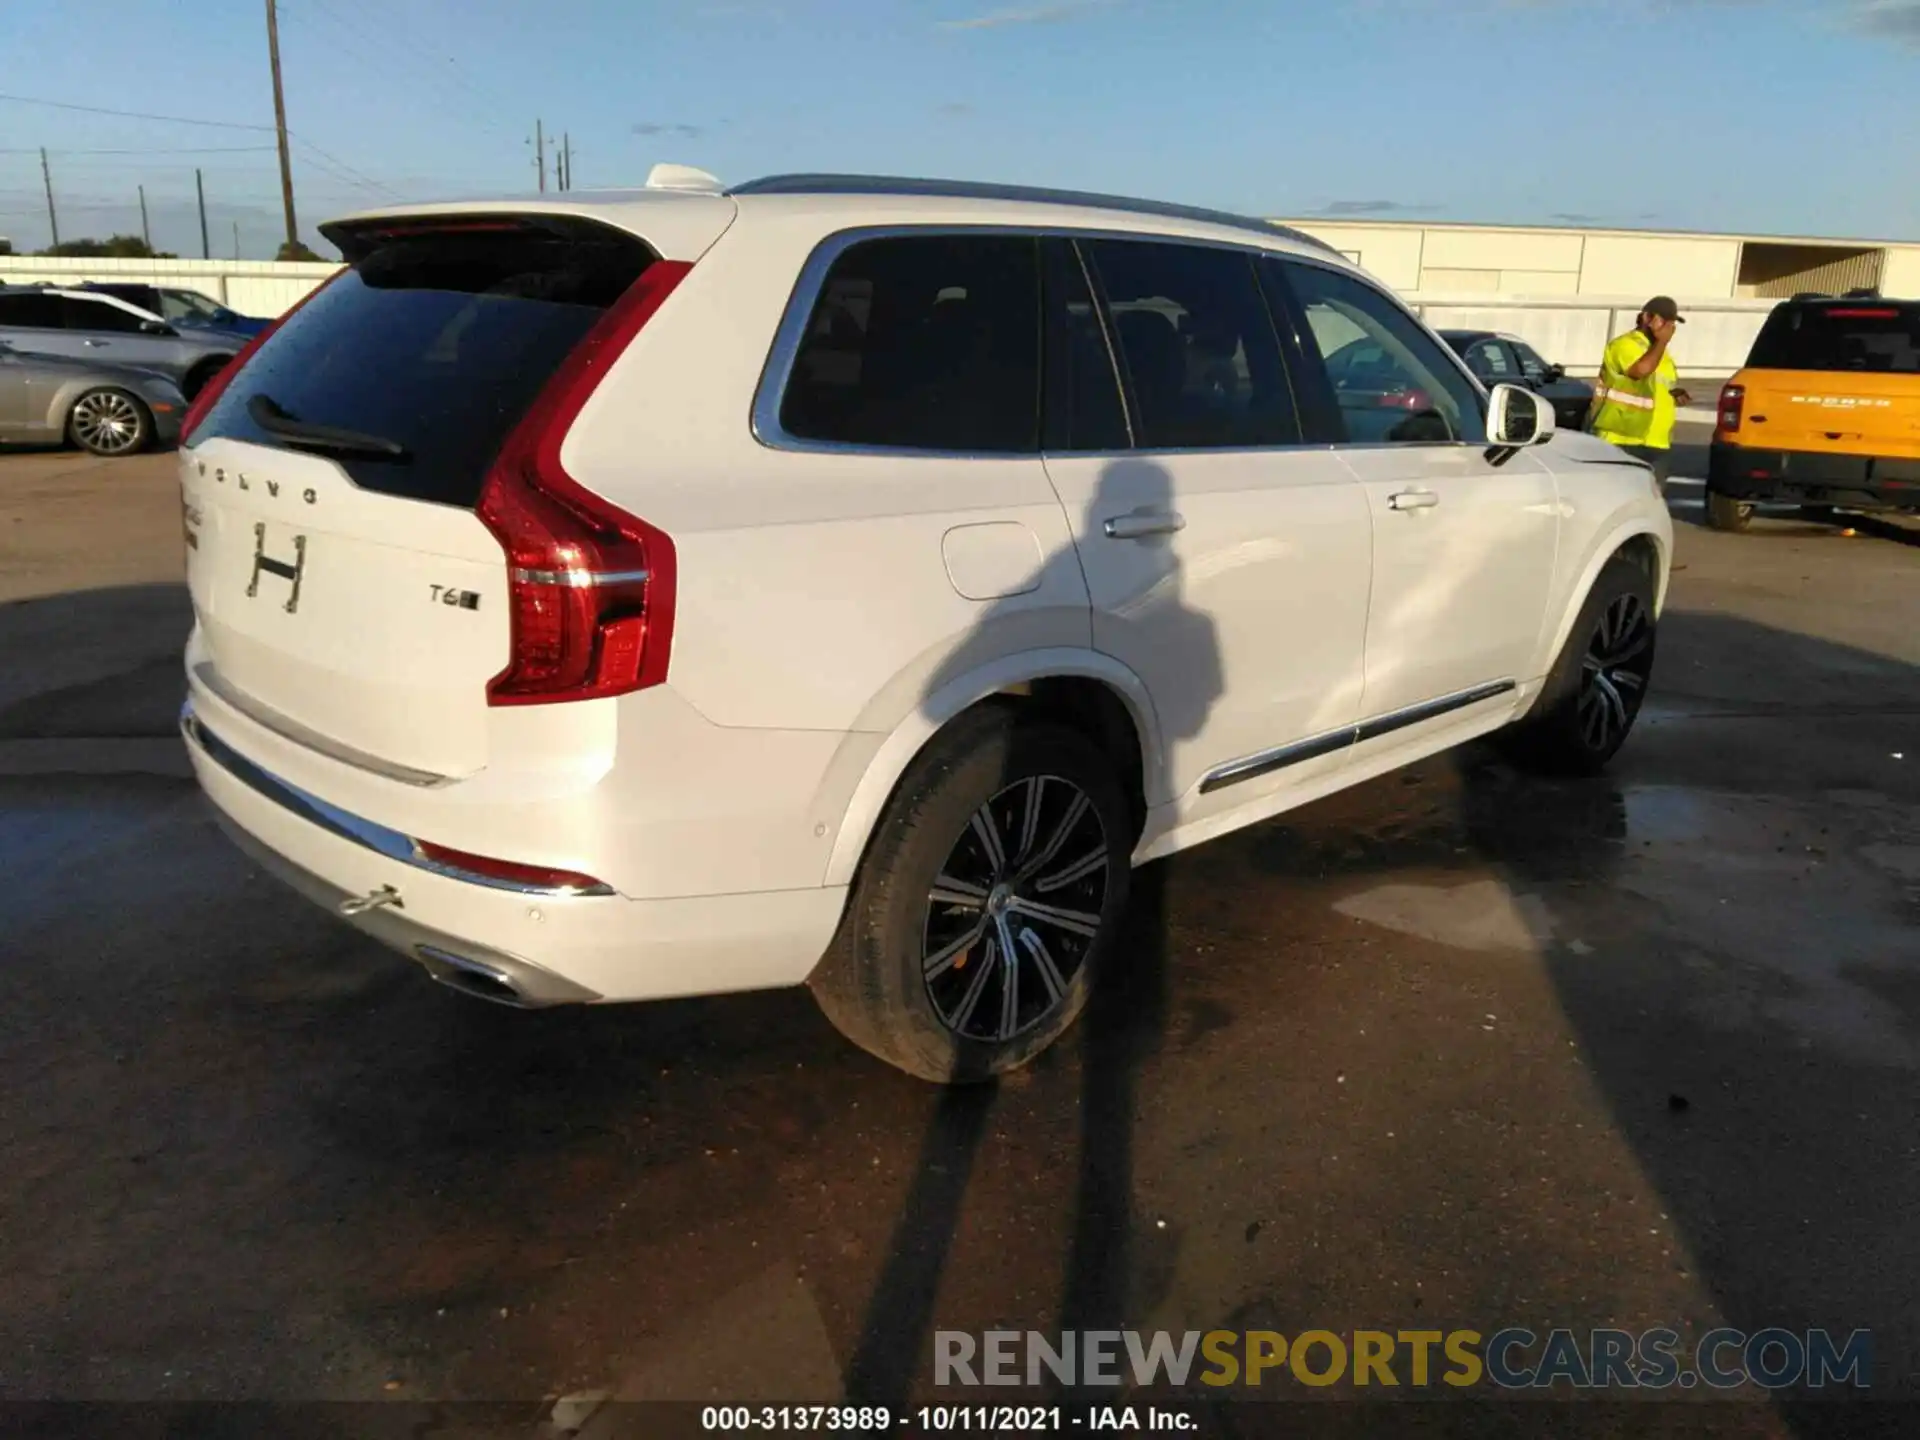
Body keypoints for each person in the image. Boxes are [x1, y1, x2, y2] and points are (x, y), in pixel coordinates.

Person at [1589, 296, 1693, 493]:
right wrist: (1661, 343)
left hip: (1657, 442)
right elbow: (1639, 371)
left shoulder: (1661, 353)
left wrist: (1674, 393)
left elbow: (1656, 384)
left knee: (1649, 505)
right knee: (1615, 498)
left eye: (1673, 324)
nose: (1670, 329)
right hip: (1622, 438)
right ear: (1647, 318)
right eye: (1666, 321)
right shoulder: (1624, 345)